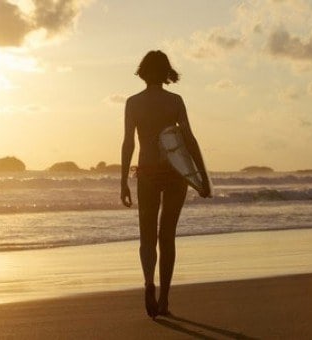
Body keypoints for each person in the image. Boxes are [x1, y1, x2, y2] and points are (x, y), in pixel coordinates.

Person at [120, 50, 211, 318]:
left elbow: (128, 142)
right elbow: (189, 140)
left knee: (146, 235)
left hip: (146, 171)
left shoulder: (133, 103)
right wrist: (202, 178)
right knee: (167, 236)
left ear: (144, 72)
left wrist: (123, 181)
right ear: (166, 72)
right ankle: (164, 301)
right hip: (174, 174)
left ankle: (149, 283)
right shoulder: (175, 101)